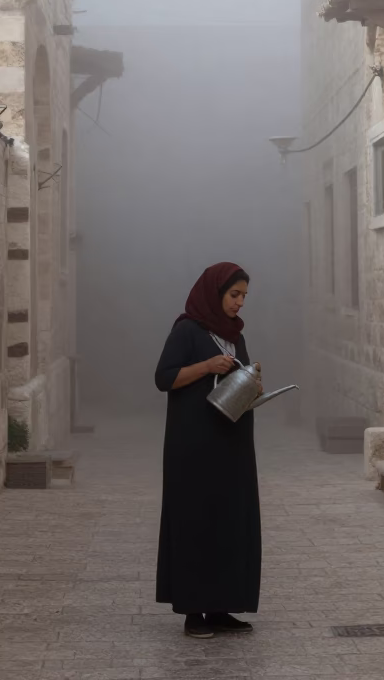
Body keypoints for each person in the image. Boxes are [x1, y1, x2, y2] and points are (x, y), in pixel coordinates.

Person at [154, 261, 262, 639]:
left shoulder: (235, 335)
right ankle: (193, 613)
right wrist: (207, 366)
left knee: (230, 521)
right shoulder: (187, 330)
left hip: (231, 443)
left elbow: (238, 376)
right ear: (215, 293)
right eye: (234, 295)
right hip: (194, 444)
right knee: (195, 521)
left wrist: (253, 383)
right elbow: (164, 378)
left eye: (244, 297)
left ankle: (221, 607)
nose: (239, 303)